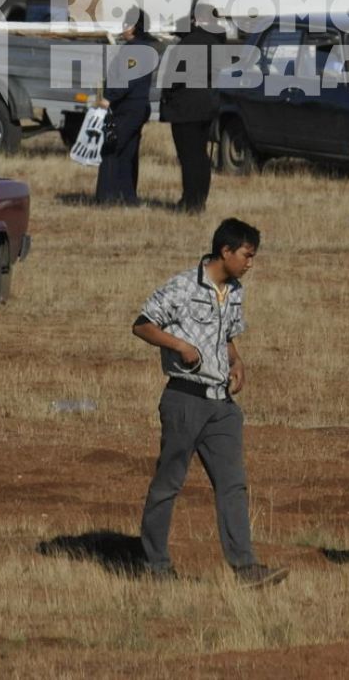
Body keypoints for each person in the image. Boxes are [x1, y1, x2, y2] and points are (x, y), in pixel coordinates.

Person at [133, 217, 285, 587]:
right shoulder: (183, 286)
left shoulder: (234, 291)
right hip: (185, 399)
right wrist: (179, 346)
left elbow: (227, 336)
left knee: (233, 485)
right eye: (247, 255)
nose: (250, 263)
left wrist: (237, 361)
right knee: (169, 483)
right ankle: (155, 566)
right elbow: (142, 324)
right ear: (226, 251)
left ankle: (246, 568)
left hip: (222, 406)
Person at [161, 7, 222, 214]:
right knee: (201, 156)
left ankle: (189, 201)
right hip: (208, 105)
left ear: (196, 20)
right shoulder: (216, 43)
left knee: (188, 157)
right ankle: (199, 200)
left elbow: (175, 77)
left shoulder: (189, 44)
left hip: (186, 106)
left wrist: (167, 92)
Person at [94, 9, 153, 206]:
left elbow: (126, 80)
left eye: (127, 24)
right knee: (128, 152)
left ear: (136, 27)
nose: (123, 28)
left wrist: (109, 98)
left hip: (127, 108)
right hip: (138, 107)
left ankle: (107, 196)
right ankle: (127, 196)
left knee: (111, 148)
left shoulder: (133, 50)